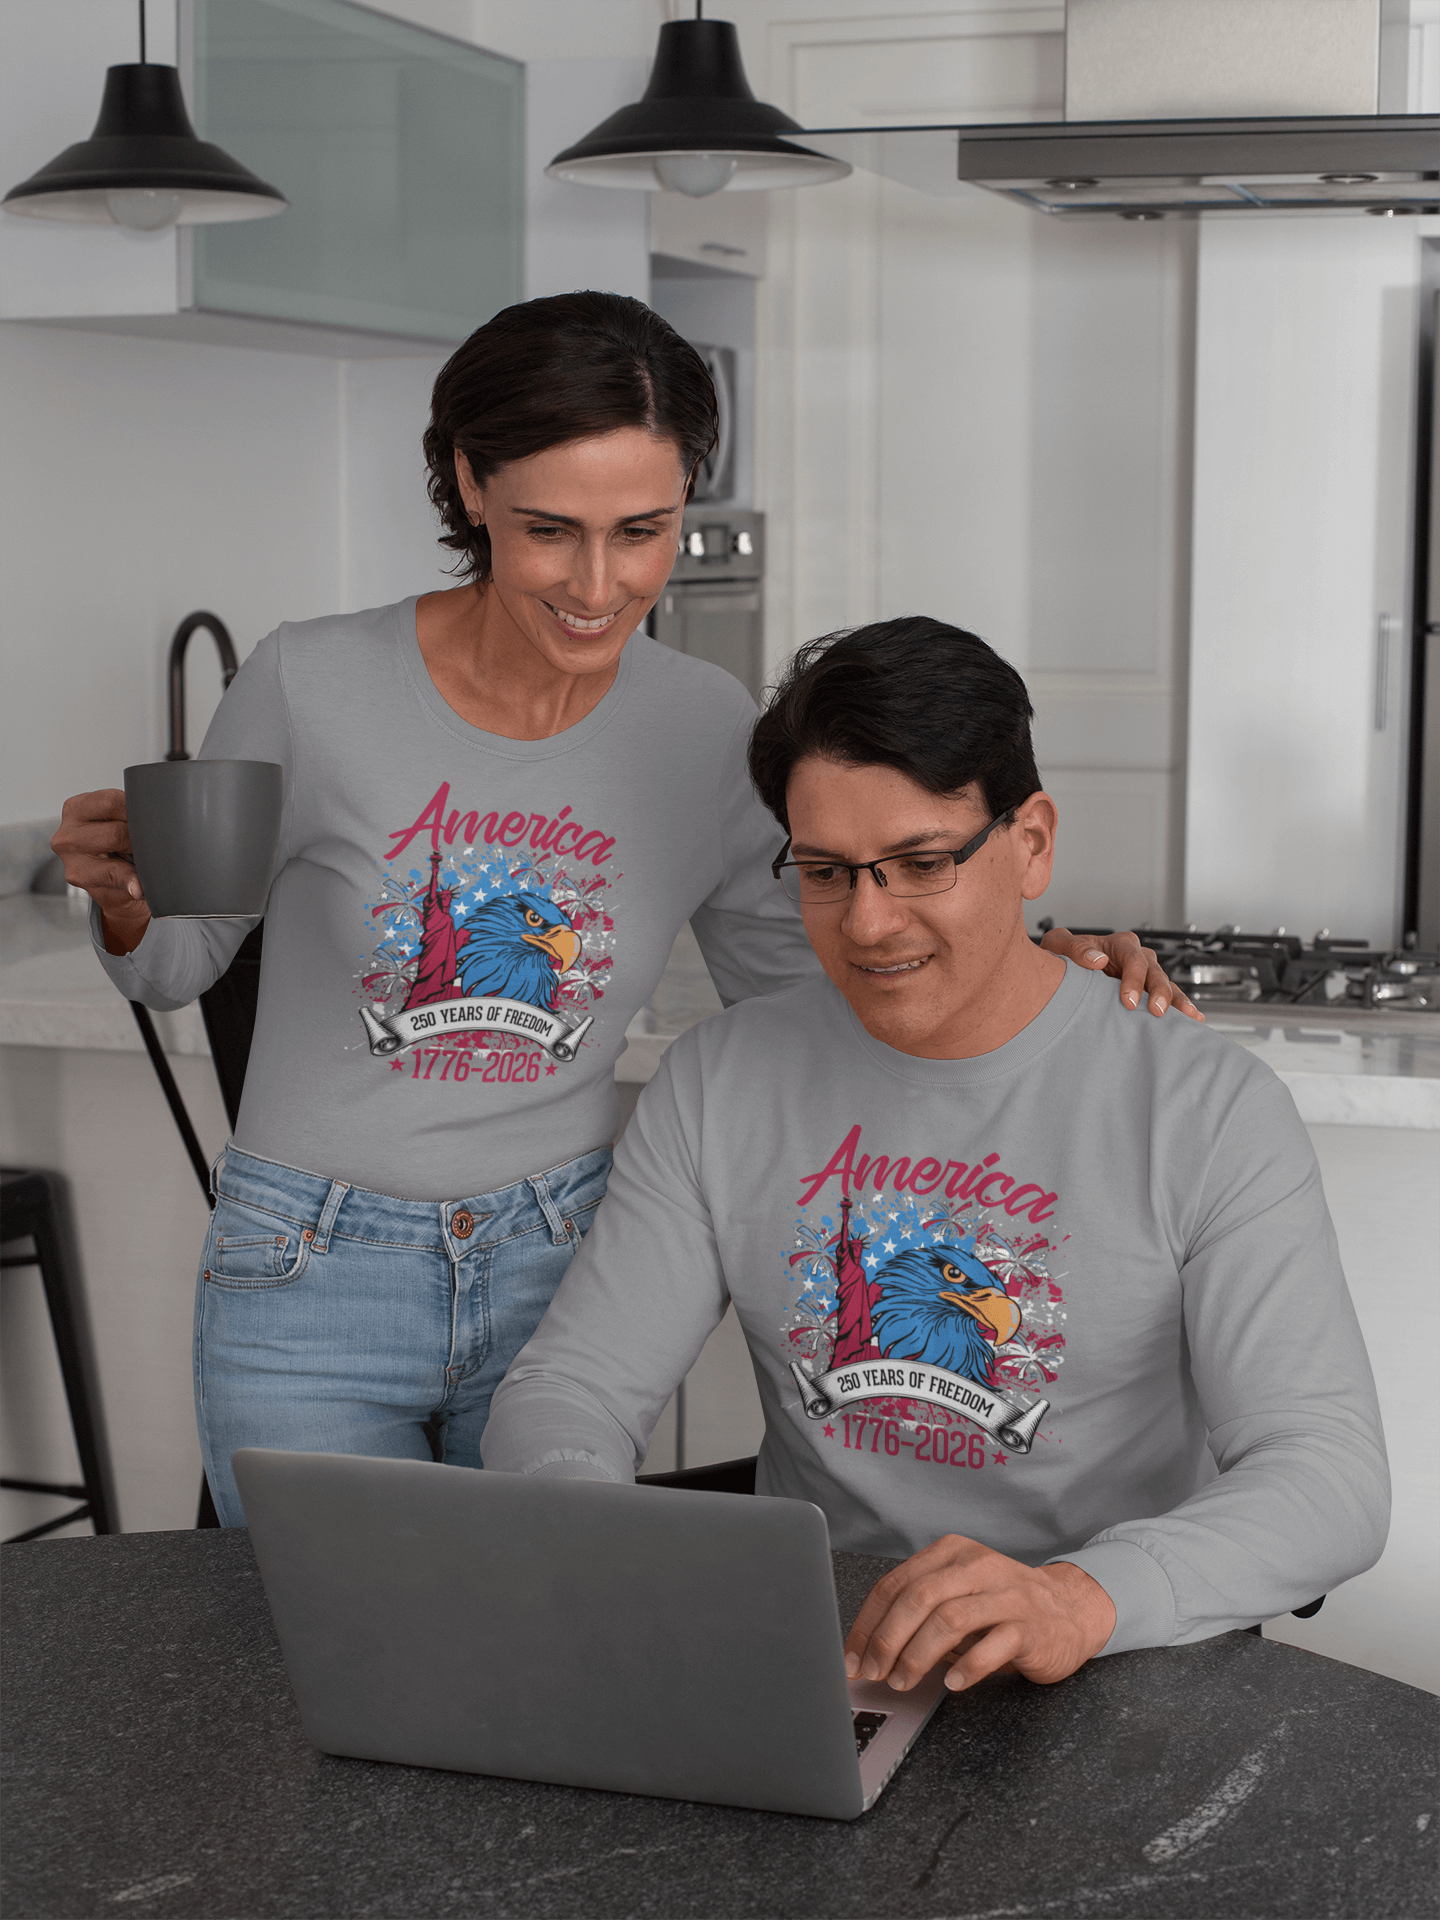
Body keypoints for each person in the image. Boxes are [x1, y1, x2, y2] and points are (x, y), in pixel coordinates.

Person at [52, 295, 1188, 1530]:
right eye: (551, 530)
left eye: (642, 531)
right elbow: (177, 963)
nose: (600, 585)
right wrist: (126, 904)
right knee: (326, 1630)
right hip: (307, 1269)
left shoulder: (705, 729)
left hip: (564, 1269)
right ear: (469, 482)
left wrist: (1025, 962)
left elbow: (826, 977)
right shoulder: (306, 681)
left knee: (543, 1633)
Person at [483, 616, 1388, 1693]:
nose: (868, 924)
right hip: (822, 1665)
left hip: (1109, 1663)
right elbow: (574, 1385)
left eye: (921, 864)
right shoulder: (720, 1080)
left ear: (1031, 842)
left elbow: (1328, 1476)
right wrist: (589, 1526)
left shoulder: (1204, 1105)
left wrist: (1077, 1599)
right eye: (826, 871)